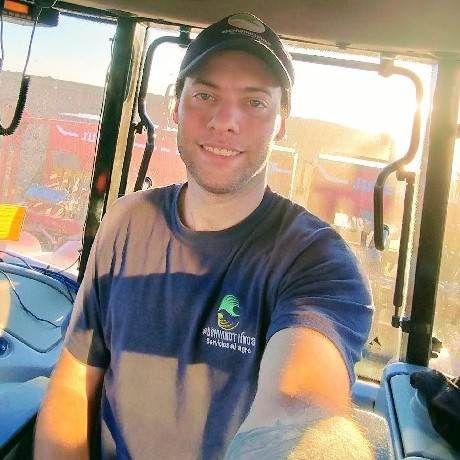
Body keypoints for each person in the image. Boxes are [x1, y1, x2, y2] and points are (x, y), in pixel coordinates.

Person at [34, 12, 374, 459]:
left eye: (254, 102)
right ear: (175, 106)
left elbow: (301, 412)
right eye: (205, 94)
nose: (225, 121)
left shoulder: (316, 260)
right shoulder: (126, 223)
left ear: (281, 121)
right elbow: (75, 380)